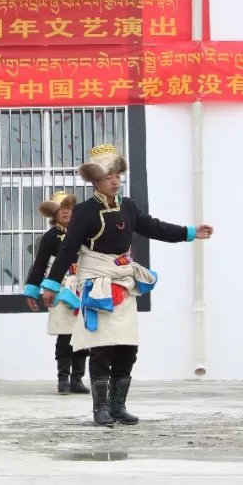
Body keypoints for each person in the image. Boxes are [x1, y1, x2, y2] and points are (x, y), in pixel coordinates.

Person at [42, 145, 212, 427]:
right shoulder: (85, 211)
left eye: (118, 174)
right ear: (95, 180)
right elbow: (68, 249)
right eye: (109, 175)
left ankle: (119, 406)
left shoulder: (129, 206)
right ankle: (100, 408)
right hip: (98, 284)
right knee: (101, 347)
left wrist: (190, 232)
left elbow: (154, 227)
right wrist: (49, 285)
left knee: (127, 348)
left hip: (124, 282)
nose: (115, 180)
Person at [23, 191, 88, 395]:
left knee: (84, 335)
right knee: (64, 334)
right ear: (54, 214)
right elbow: (40, 264)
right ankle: (63, 379)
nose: (66, 212)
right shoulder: (51, 237)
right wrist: (32, 291)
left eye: (69, 207)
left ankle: (78, 379)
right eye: (61, 208)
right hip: (59, 289)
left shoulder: (85, 233)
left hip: (83, 288)